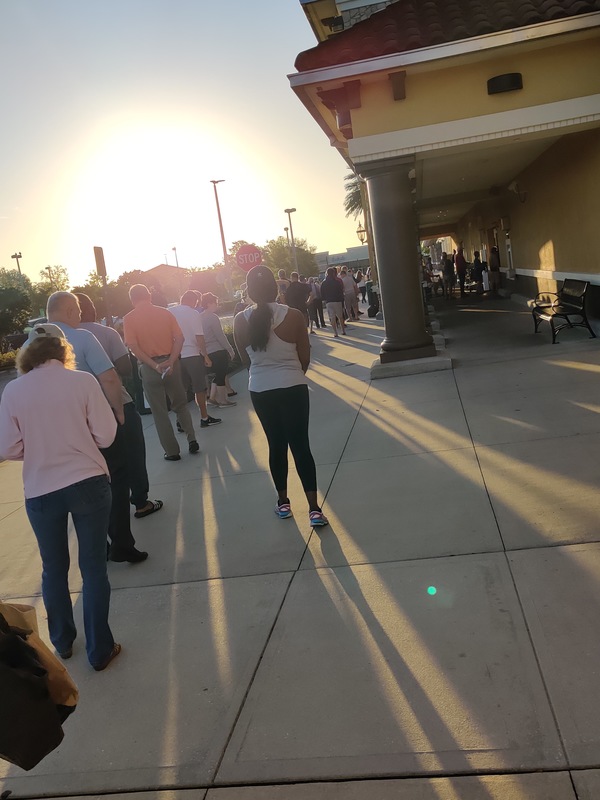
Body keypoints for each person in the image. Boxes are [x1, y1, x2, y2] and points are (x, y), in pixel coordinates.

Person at [0, 325, 121, 670]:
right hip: (88, 481)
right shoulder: (82, 382)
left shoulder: (14, 390)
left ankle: (63, 642)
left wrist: (37, 449)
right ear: (62, 349)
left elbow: (7, 446)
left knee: (53, 568)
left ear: (27, 353)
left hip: (41, 488)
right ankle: (101, 650)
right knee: (93, 567)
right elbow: (107, 435)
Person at [47, 292, 148, 563]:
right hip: (96, 418)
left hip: (63, 429)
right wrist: (117, 411)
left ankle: (98, 544)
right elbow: (110, 378)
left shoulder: (33, 345)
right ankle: (122, 544)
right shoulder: (81, 338)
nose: (80, 317)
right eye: (77, 311)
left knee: (82, 483)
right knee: (115, 478)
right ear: (69, 311)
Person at [233, 265, 328, 528]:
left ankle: (283, 503)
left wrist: (263, 373)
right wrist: (292, 374)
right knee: (301, 446)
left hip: (261, 389)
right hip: (293, 386)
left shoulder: (240, 320)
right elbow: (305, 357)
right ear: (277, 288)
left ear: (249, 291)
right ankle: (314, 509)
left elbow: (245, 360)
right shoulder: (294, 316)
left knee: (276, 445)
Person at [73, 293, 163, 519]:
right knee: (132, 454)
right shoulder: (105, 333)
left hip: (78, 413)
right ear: (91, 309)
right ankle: (141, 502)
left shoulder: (58, 339)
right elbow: (123, 368)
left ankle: (100, 514)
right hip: (114, 403)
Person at [124, 285, 199, 461]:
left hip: (149, 369)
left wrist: (153, 365)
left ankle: (172, 451)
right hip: (171, 364)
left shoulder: (129, 319)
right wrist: (171, 361)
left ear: (132, 299)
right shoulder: (165, 313)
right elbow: (179, 338)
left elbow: (133, 346)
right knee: (180, 405)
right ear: (149, 295)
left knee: (159, 412)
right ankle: (192, 439)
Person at [169, 291, 222, 429]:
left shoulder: (169, 312)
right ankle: (204, 417)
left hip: (176, 357)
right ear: (195, 301)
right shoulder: (193, 313)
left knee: (181, 390)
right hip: (192, 355)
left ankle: (180, 421)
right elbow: (199, 337)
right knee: (199, 388)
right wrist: (205, 356)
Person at [200, 292, 237, 408]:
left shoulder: (199, 317)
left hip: (206, 351)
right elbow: (220, 335)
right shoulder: (212, 317)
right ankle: (223, 400)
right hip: (217, 350)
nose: (217, 305)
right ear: (209, 303)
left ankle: (212, 398)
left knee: (218, 374)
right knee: (221, 374)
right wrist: (230, 349)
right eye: (215, 303)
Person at [320, 266, 347, 336]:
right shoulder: (337, 282)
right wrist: (342, 300)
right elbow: (341, 291)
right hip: (337, 301)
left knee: (332, 317)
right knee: (340, 316)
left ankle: (335, 332)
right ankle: (343, 330)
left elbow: (321, 292)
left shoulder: (323, 283)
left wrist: (324, 299)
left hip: (329, 301)